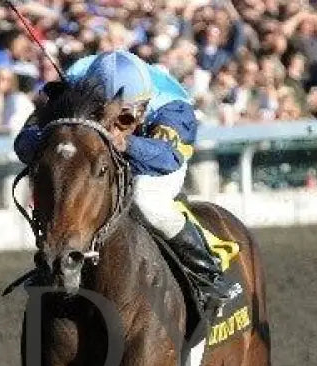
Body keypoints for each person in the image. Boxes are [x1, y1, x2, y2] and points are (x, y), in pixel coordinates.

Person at [15, 50, 234, 302]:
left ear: (143, 106)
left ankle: (205, 270)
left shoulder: (171, 107)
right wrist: (50, 137)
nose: (112, 124)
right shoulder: (72, 87)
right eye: (101, 114)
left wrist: (127, 143)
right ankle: (51, 261)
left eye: (125, 118)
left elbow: (169, 158)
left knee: (145, 200)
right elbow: (24, 142)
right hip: (98, 159)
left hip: (155, 163)